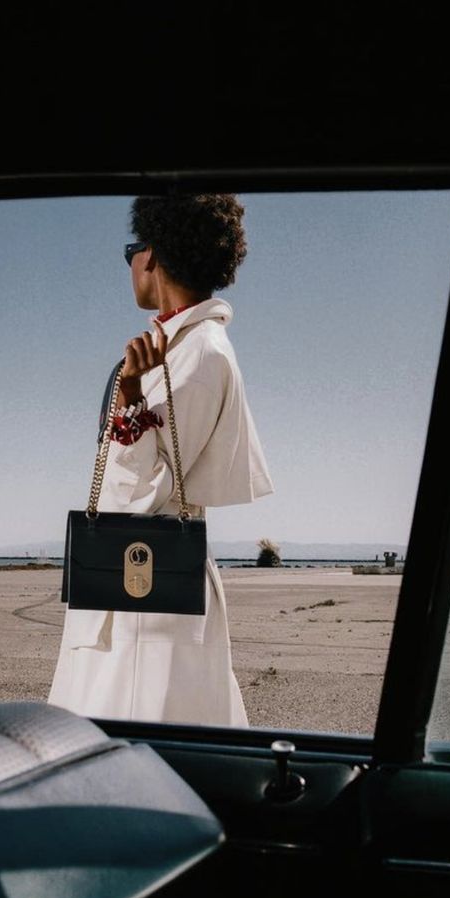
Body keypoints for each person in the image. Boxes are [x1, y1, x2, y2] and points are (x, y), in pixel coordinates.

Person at [49, 193, 273, 725]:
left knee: (130, 750)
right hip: (139, 586)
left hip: (146, 586)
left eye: (132, 247)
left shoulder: (199, 353)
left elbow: (146, 494)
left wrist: (128, 399)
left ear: (154, 254)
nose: (130, 263)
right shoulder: (179, 346)